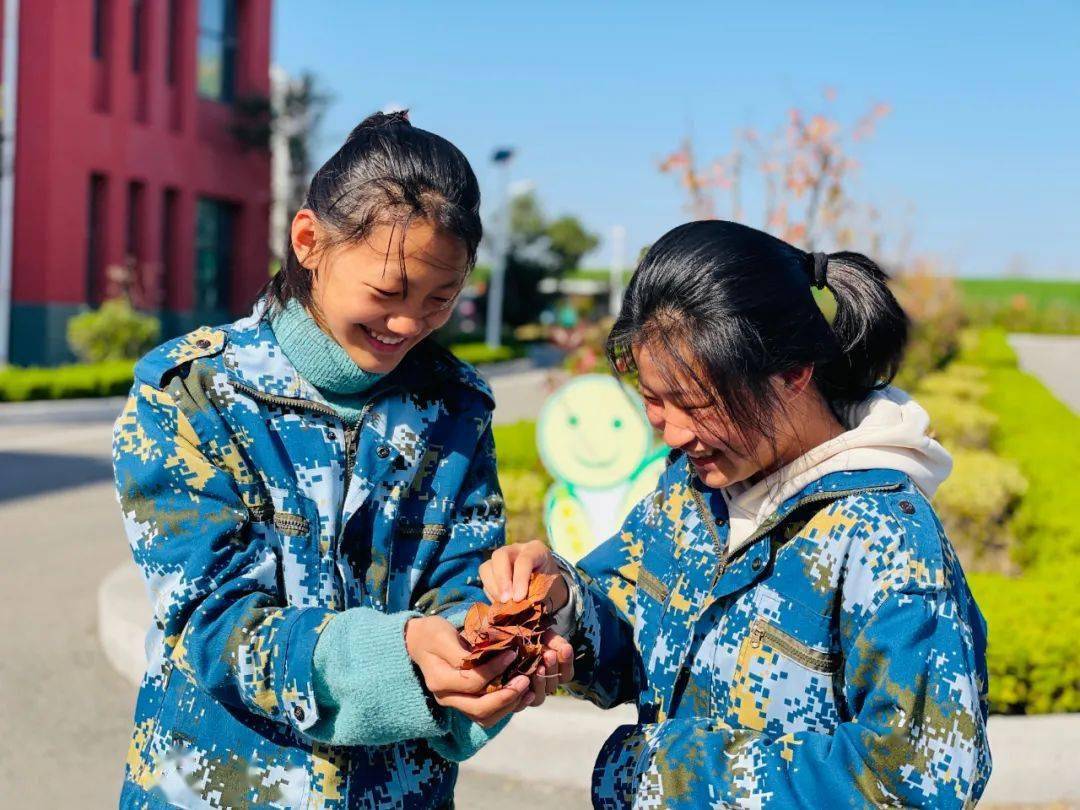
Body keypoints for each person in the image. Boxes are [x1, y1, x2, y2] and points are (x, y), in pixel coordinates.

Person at [113, 110, 568, 809]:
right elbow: (214, 621)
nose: (409, 325)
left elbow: (459, 579)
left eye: (439, 300)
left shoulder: (453, 408)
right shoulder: (197, 394)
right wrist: (403, 651)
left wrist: (489, 653)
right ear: (309, 242)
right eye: (387, 293)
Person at [482, 220, 992, 808]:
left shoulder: (883, 537)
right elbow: (629, 622)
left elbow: (920, 779)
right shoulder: (693, 488)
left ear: (794, 373)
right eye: (653, 399)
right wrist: (559, 604)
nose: (673, 432)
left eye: (697, 405)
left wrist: (663, 776)